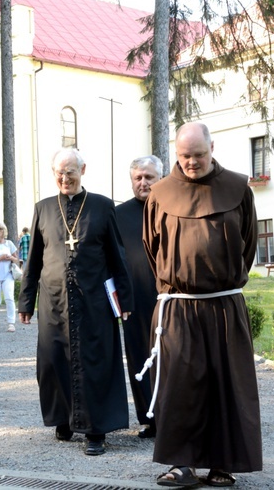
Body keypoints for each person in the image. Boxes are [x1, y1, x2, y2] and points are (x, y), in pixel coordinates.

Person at [143, 122, 261, 486]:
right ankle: (182, 463)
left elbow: (248, 244)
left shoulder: (239, 188)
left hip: (223, 304)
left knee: (227, 384)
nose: (192, 162)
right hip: (179, 307)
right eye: (185, 156)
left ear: (213, 148)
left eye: (199, 154)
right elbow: (153, 247)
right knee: (179, 385)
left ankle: (222, 463)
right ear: (175, 155)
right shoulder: (160, 194)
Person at [18, 148, 134, 456]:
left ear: (83, 169)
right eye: (59, 172)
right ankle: (65, 419)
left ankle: (96, 429)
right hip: (53, 300)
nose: (64, 178)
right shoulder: (43, 208)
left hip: (94, 299)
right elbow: (34, 260)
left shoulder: (102, 206)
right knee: (54, 361)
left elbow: (117, 256)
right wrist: (25, 302)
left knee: (95, 361)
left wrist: (125, 299)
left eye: (70, 172)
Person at [114, 155, 163, 439]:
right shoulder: (118, 216)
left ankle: (172, 416)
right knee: (138, 357)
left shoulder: (172, 208)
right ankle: (149, 418)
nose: (143, 183)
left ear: (160, 178)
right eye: (138, 178)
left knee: (171, 358)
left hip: (170, 297)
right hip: (133, 300)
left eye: (149, 177)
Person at [0, 221, 18, 332]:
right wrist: (1, 257)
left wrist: (10, 257)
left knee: (9, 298)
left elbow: (16, 259)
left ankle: (11, 323)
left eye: (0, 229)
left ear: (4, 231)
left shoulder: (9, 243)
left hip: (8, 275)